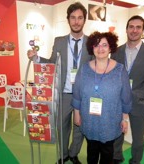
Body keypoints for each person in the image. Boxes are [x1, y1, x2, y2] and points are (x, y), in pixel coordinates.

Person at [27, 2, 92, 164]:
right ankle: (63, 155)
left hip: (84, 95)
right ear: (68, 20)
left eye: (80, 18)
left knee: (80, 128)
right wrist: (36, 58)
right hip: (63, 94)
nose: (76, 21)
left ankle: (73, 153)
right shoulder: (59, 41)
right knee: (61, 127)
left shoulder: (92, 42)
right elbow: (51, 63)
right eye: (73, 18)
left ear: (84, 20)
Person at [72, 31, 132, 164]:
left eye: (104, 45)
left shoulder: (120, 70)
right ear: (92, 48)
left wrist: (125, 119)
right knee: (91, 153)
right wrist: (77, 114)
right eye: (97, 45)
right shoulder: (84, 69)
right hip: (89, 120)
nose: (101, 49)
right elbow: (77, 93)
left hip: (110, 121)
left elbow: (126, 97)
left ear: (110, 48)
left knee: (107, 154)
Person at [111, 15, 144, 164]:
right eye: (131, 27)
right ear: (126, 29)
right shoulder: (116, 52)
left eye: (138, 27)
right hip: (118, 103)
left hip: (140, 104)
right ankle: (116, 157)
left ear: (143, 30)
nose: (134, 30)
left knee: (138, 140)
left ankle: (135, 162)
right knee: (117, 136)